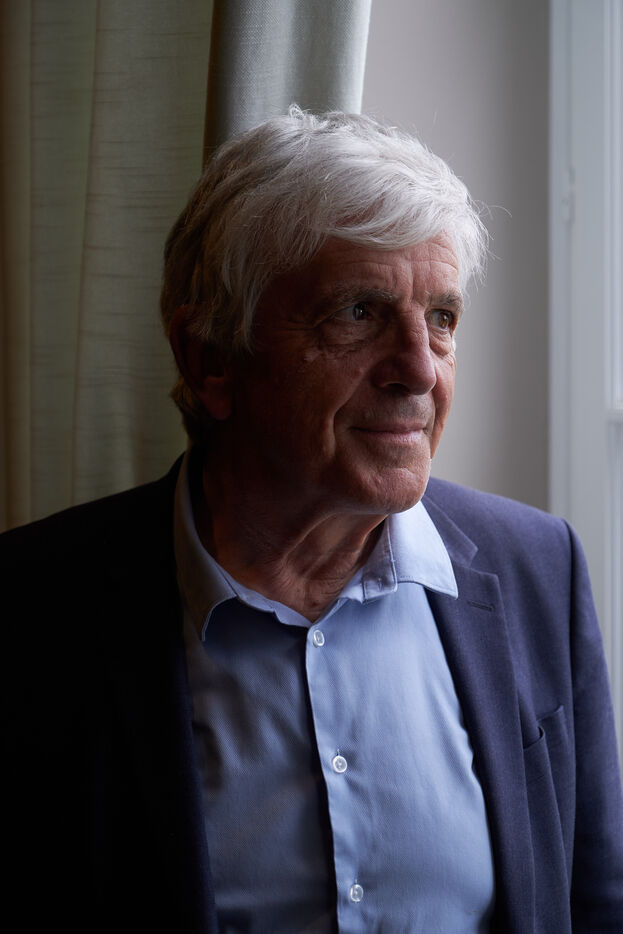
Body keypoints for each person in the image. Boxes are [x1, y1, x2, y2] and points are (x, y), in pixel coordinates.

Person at [3, 107, 623, 934]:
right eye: (358, 313)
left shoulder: (535, 568)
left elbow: (592, 898)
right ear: (210, 359)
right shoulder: (33, 606)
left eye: (441, 319)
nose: (418, 370)